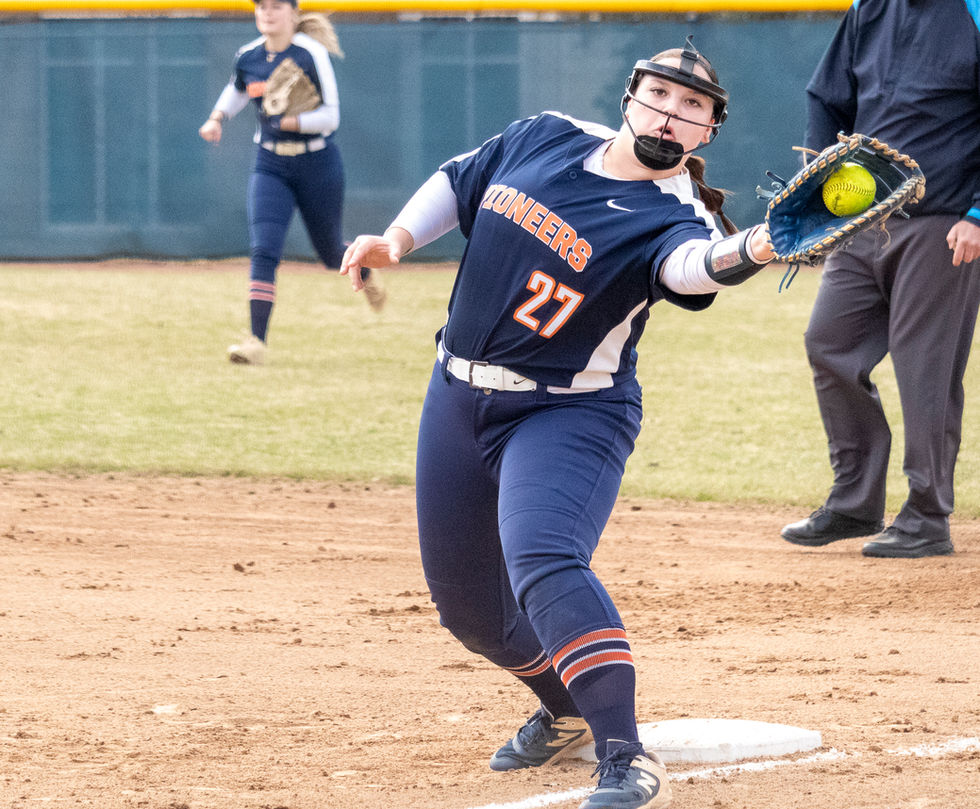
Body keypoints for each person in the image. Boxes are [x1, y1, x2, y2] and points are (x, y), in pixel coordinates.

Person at [341, 39, 775, 809]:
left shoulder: (677, 213)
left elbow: (692, 268)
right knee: (471, 611)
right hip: (455, 395)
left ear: (708, 133)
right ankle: (567, 707)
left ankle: (627, 759)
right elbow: (459, 178)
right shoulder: (546, 134)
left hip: (568, 410)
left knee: (543, 556)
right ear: (631, 96)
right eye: (662, 96)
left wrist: (759, 246)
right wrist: (396, 239)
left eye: (694, 109)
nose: (672, 115)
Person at [780, 0, 980, 558]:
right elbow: (828, 97)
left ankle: (926, 516)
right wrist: (818, 187)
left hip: (945, 222)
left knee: (926, 371)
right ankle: (853, 502)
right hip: (865, 221)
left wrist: (978, 215)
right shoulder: (870, 9)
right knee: (830, 346)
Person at [198, 0, 385, 366]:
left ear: (293, 13)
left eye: (276, 6)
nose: (267, 12)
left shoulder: (310, 54)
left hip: (317, 163)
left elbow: (330, 117)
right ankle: (255, 340)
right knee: (264, 249)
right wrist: (217, 117)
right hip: (270, 163)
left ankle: (362, 267)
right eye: (261, 6)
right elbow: (238, 88)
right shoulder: (249, 56)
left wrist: (290, 122)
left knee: (332, 253)